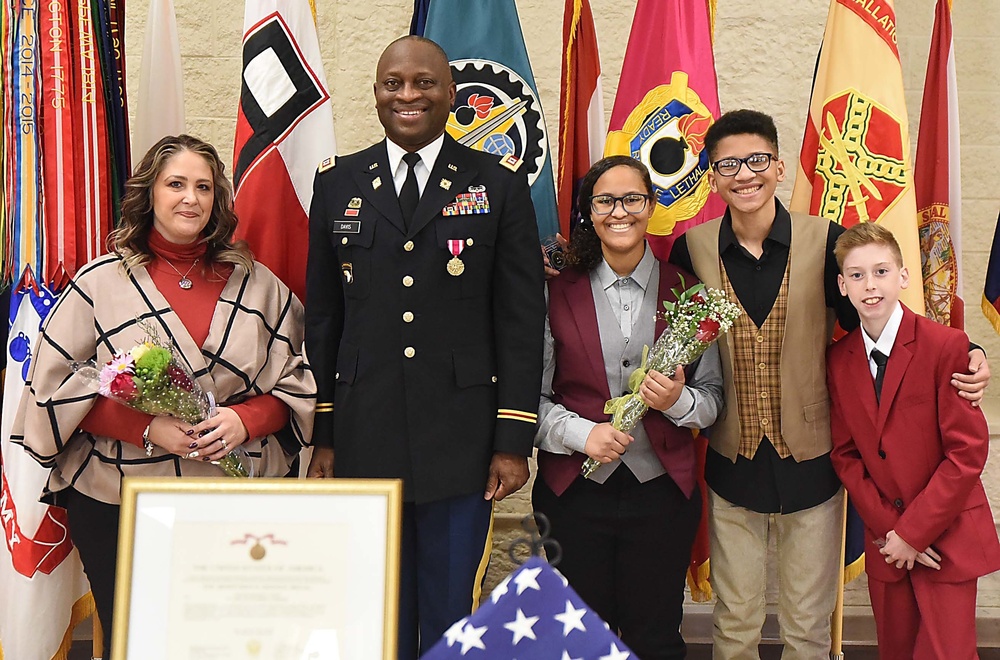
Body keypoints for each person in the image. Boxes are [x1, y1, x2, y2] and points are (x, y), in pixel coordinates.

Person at [668, 109, 991, 659]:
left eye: (756, 160)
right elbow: (672, 339)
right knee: (735, 622)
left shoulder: (826, 243)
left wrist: (970, 350)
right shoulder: (690, 250)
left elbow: (881, 318)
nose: (744, 174)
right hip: (730, 461)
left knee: (807, 626)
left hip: (814, 461)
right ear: (712, 175)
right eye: (728, 164)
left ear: (777, 166)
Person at [11, 134, 316, 659]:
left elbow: (299, 381)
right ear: (148, 194)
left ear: (219, 200)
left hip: (236, 499)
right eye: (175, 184)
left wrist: (247, 420)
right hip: (119, 500)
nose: (190, 198)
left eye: (203, 186)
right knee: (139, 640)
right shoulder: (98, 283)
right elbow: (52, 390)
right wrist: (146, 427)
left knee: (232, 643)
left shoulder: (260, 285)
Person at [305, 36, 544, 657]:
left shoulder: (497, 182)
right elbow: (327, 319)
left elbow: (520, 320)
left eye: (424, 84)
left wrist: (512, 438)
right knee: (377, 607)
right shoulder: (338, 183)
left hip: (460, 439)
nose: (407, 95)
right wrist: (325, 433)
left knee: (447, 610)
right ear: (378, 92)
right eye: (394, 84)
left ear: (451, 95)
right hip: (364, 432)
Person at [533, 155, 723, 659]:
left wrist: (679, 401)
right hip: (572, 493)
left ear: (651, 206)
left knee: (655, 636)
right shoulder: (553, 292)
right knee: (575, 638)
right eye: (605, 201)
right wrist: (579, 434)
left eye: (633, 198)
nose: (620, 211)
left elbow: (713, 401)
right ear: (589, 213)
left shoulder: (688, 291)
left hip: (661, 495)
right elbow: (528, 400)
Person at [828, 222, 1000, 660]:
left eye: (882, 271)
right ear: (842, 285)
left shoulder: (947, 346)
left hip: (948, 536)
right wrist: (893, 533)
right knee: (897, 651)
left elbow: (966, 453)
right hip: (888, 543)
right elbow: (847, 456)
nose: (871, 285)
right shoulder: (839, 359)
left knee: (947, 653)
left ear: (903, 277)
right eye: (858, 275)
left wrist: (914, 533)